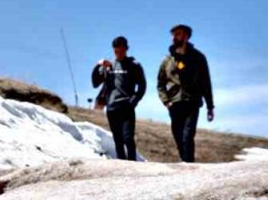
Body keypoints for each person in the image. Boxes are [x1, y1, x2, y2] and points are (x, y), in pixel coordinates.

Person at [156, 24, 214, 163]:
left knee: (188, 136)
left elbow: (205, 82)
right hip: (174, 103)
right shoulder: (167, 60)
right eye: (173, 34)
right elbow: (160, 84)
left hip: (192, 101)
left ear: (186, 36)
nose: (174, 37)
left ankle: (188, 164)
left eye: (178, 34)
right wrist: (166, 101)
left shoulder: (198, 57)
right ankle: (185, 161)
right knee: (178, 136)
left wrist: (210, 106)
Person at [91, 36, 146, 161]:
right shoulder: (109, 66)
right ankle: (122, 165)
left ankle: (133, 164)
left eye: (121, 51)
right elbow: (95, 83)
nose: (119, 54)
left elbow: (142, 86)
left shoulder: (134, 65)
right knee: (118, 140)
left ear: (126, 49)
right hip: (112, 108)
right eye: (116, 51)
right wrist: (98, 66)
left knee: (128, 138)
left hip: (127, 107)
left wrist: (134, 101)